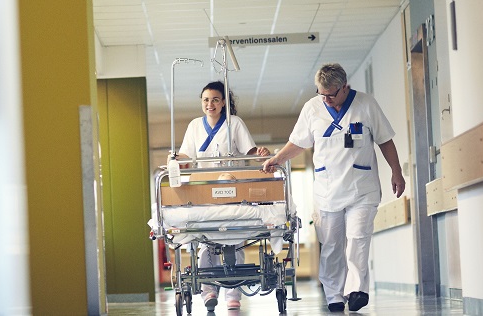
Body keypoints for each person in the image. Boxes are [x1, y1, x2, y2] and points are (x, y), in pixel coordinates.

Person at [260, 63, 405, 312]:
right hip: (327, 191)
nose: (326, 99)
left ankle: (357, 290)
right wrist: (278, 159)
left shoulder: (366, 104)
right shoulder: (312, 108)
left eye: (331, 94)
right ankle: (334, 294)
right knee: (331, 246)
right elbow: (298, 143)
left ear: (344, 87)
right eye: (321, 94)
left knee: (358, 238)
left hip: (362, 188)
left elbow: (385, 141)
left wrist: (397, 171)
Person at [171, 81, 270, 311]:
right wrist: (177, 159)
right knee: (206, 241)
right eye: (206, 100)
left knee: (234, 239)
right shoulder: (195, 125)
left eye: (215, 99)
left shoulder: (234, 123)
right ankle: (209, 291)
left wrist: (261, 153)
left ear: (224, 102)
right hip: (204, 190)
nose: (210, 104)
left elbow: (250, 150)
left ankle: (233, 293)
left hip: (231, 188)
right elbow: (187, 154)